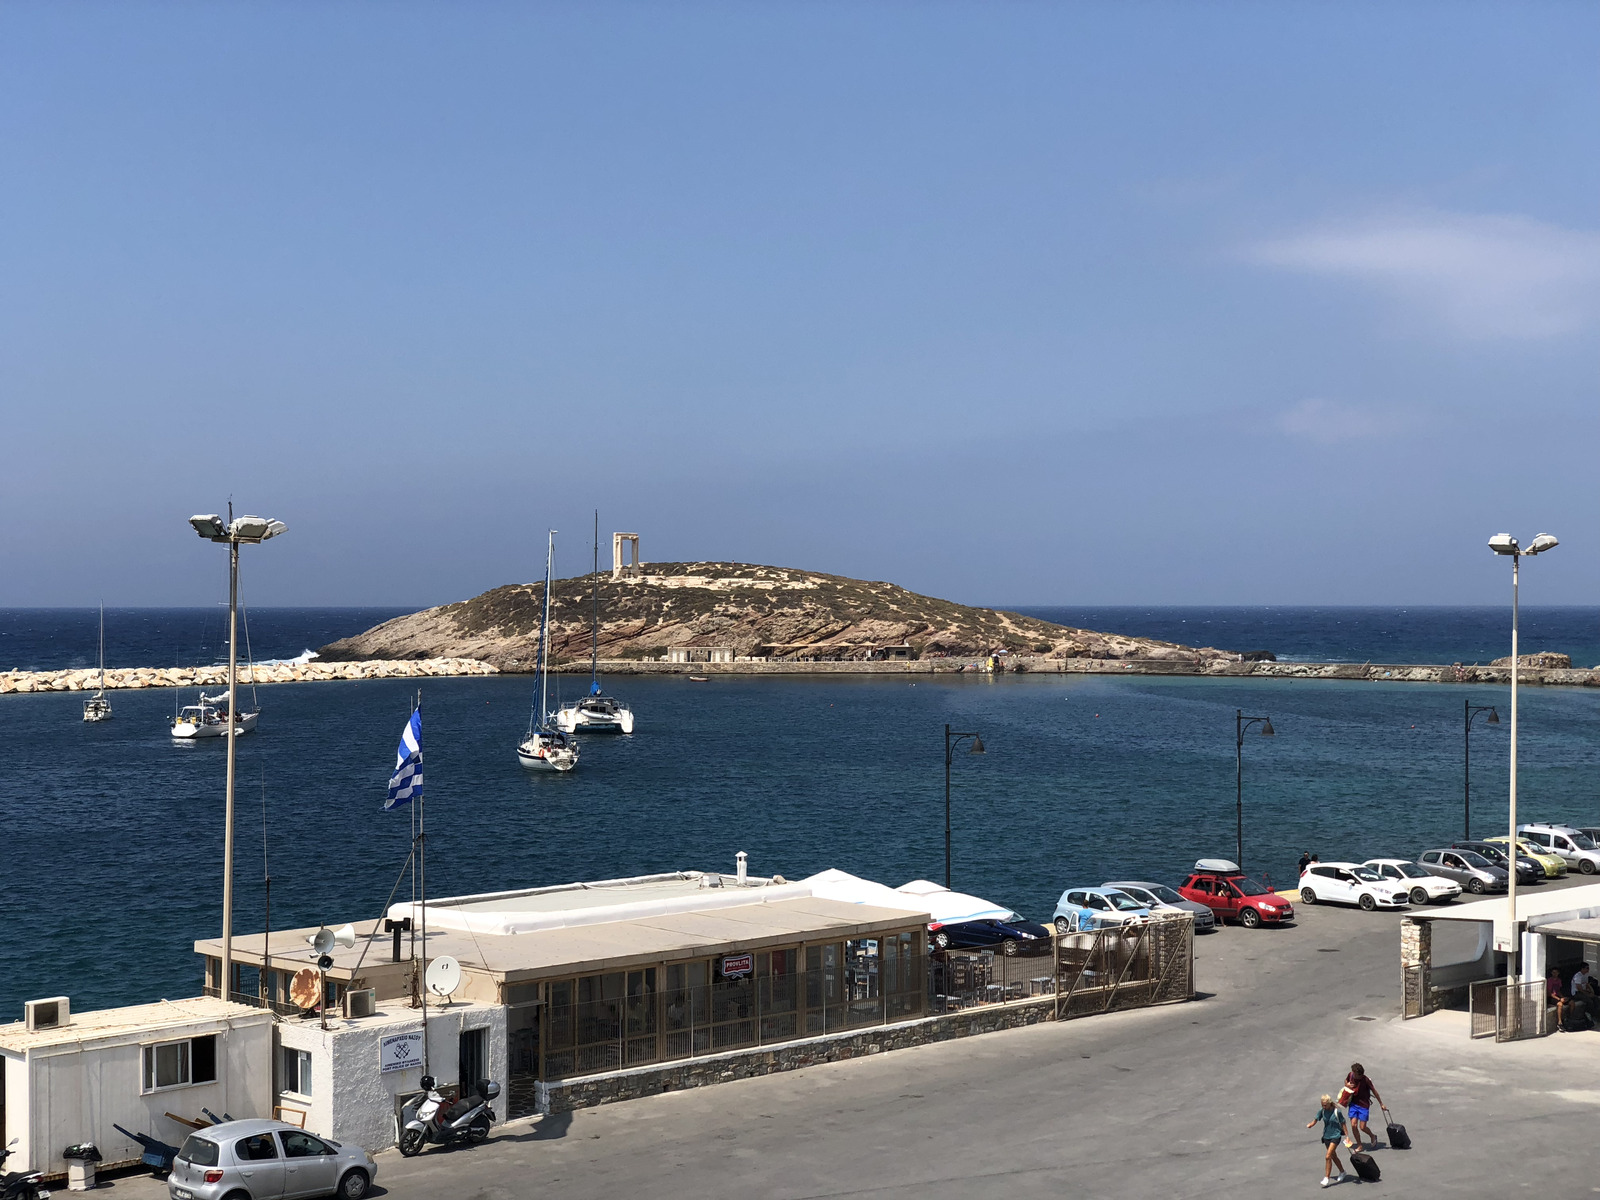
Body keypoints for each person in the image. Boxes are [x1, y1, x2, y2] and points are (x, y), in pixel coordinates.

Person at [1307, 1094, 1348, 1188]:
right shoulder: (1322, 1111)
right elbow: (1316, 1119)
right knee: (1333, 1156)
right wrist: (1311, 1124)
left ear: (1329, 1104)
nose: (1323, 1107)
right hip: (1326, 1136)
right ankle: (1342, 1171)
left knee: (1328, 1156)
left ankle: (1326, 1178)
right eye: (1322, 1105)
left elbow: (1343, 1123)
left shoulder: (1337, 1112)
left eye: (1325, 1105)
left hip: (1336, 1136)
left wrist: (1347, 1136)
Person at [1342, 1063, 1384, 1150]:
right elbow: (1346, 1081)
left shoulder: (1366, 1080)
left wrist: (1381, 1104)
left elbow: (1374, 1091)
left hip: (1363, 1105)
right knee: (1353, 1125)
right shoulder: (1350, 1075)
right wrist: (1347, 1085)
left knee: (1362, 1127)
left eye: (1357, 1075)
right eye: (1354, 1074)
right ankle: (1359, 1145)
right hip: (1353, 1103)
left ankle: (1372, 1136)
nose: (1355, 1076)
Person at [1547, 965, 1571, 1031]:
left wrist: (1562, 997)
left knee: (1571, 1002)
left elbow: (1558, 991)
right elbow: (1549, 993)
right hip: (1551, 997)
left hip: (1558, 996)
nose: (1555, 974)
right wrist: (1559, 999)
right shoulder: (1549, 980)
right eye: (1553, 972)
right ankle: (1560, 1023)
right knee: (1560, 1004)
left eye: (1556, 972)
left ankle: (1569, 1019)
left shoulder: (1559, 980)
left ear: (1558, 973)